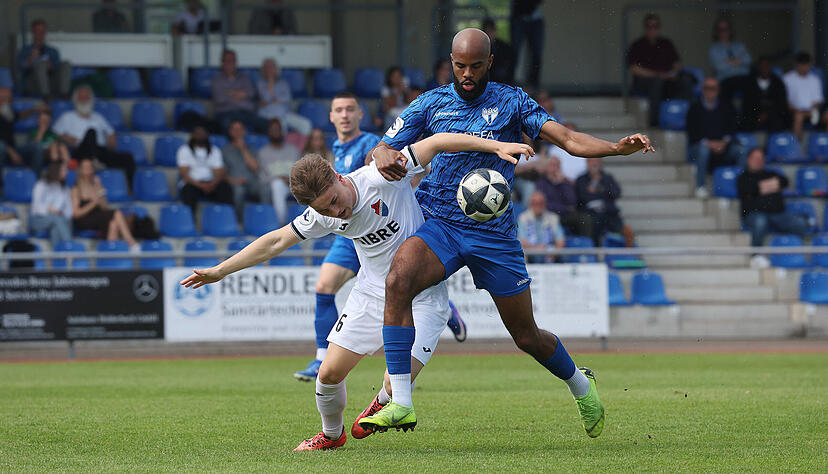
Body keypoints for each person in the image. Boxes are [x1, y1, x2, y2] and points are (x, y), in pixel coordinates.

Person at [363, 28, 653, 436]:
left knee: (526, 336)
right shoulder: (430, 102)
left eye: (475, 66)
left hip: (494, 235)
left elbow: (567, 139)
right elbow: (380, 147)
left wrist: (615, 148)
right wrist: (385, 154)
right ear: (451, 61)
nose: (466, 73)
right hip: (441, 224)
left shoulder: (512, 101)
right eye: (459, 65)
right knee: (398, 280)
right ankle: (401, 404)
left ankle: (581, 386)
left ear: (489, 64)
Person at [180, 132, 530, 451]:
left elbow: (437, 142)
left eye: (334, 200)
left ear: (338, 176)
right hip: (370, 295)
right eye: (324, 210)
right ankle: (331, 435)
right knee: (328, 375)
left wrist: (495, 147)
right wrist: (220, 270)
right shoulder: (322, 215)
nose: (336, 212)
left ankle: (382, 400)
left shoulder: (384, 175)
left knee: (397, 383)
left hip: (422, 296)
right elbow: (275, 241)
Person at [293, 93, 379, 381]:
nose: (344, 115)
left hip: (374, 228)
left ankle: (400, 375)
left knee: (403, 295)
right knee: (323, 287)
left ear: (360, 115)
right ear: (331, 117)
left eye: (350, 110)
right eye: (338, 110)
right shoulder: (335, 149)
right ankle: (320, 359)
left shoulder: (369, 144)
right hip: (347, 234)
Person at [737, 148, 808, 268]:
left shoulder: (771, 173)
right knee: (760, 222)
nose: (758, 161)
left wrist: (760, 189)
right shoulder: (743, 177)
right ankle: (756, 256)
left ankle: (788, 253)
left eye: (761, 158)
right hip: (754, 215)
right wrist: (771, 185)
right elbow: (747, 189)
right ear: (749, 160)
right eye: (755, 158)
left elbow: (785, 181)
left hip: (777, 214)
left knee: (800, 223)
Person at [53, 86, 135, 185]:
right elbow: (54, 133)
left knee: (127, 158)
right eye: (81, 98)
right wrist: (66, 138)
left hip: (100, 152)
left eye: (86, 98)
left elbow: (111, 132)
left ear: (91, 100)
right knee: (91, 132)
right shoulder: (67, 117)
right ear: (75, 100)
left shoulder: (98, 117)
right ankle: (93, 162)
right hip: (81, 151)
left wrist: (111, 138)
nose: (84, 101)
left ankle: (132, 188)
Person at [626, 14, 693, 126]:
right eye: (649, 26)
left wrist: (673, 73)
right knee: (656, 83)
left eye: (655, 26)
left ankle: (686, 118)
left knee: (685, 81)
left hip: (666, 79)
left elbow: (676, 63)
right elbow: (634, 69)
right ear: (645, 27)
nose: (652, 29)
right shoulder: (637, 45)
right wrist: (656, 75)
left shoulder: (666, 43)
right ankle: (655, 122)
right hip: (645, 82)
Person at [687, 77, 743, 198]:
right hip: (701, 147)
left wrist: (724, 142)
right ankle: (700, 186)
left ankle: (741, 186)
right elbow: (692, 132)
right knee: (703, 150)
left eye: (713, 88)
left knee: (741, 150)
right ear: (702, 90)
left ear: (718, 90)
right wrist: (709, 144)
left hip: (724, 147)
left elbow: (732, 128)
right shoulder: (694, 107)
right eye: (707, 88)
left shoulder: (726, 106)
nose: (709, 91)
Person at [71, 158, 139, 250]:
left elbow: (105, 207)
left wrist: (99, 188)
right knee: (117, 213)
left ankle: (111, 256)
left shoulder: (96, 186)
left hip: (99, 217)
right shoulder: (76, 189)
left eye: (90, 167)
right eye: (85, 167)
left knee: (113, 224)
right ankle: (132, 243)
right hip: (85, 219)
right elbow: (76, 214)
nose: (88, 170)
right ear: (80, 169)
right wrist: (93, 203)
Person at [177, 126, 234, 215]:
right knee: (188, 191)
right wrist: (200, 185)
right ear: (193, 135)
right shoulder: (184, 150)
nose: (200, 136)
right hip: (193, 184)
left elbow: (219, 172)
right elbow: (184, 174)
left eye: (203, 134)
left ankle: (224, 218)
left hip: (211, 183)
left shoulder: (215, 150)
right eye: (198, 134)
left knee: (225, 188)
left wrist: (212, 184)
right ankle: (190, 221)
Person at [212, 49, 268, 134]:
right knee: (225, 125)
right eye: (227, 60)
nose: (230, 63)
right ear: (222, 62)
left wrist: (231, 94)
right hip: (225, 113)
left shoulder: (244, 78)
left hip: (246, 113)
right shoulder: (216, 80)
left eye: (233, 60)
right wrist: (241, 95)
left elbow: (251, 93)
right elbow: (220, 99)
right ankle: (234, 146)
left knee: (266, 124)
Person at [536, 156, 592, 239]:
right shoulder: (541, 183)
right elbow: (545, 204)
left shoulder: (565, 182)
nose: (555, 168)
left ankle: (586, 246)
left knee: (585, 218)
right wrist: (565, 208)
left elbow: (572, 202)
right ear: (547, 167)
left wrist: (562, 184)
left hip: (564, 215)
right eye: (552, 165)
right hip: (549, 214)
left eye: (557, 166)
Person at [257, 118, 301, 224]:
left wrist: (291, 180)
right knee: (277, 184)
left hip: (294, 185)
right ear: (268, 132)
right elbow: (262, 178)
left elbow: (301, 173)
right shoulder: (263, 152)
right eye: (273, 129)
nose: (275, 132)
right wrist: (280, 178)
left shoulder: (293, 150)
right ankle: (281, 224)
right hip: (273, 186)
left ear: (282, 131)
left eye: (278, 129)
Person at [16, 19, 71, 100]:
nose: (40, 34)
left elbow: (58, 69)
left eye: (42, 31)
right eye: (37, 31)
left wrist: (50, 66)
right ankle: (46, 96)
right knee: (41, 64)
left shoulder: (53, 51)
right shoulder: (25, 50)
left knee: (66, 63)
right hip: (34, 85)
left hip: (52, 83)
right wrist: (31, 59)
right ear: (33, 32)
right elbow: (19, 69)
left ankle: (64, 94)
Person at [575, 158, 625, 246]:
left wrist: (599, 190)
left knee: (617, 224)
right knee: (592, 224)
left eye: (597, 162)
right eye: (592, 162)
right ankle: (595, 248)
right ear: (587, 163)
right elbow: (581, 197)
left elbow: (616, 193)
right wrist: (601, 193)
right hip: (590, 212)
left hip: (608, 211)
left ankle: (618, 247)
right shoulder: (581, 179)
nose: (595, 164)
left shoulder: (607, 178)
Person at [256, 58, 312, 135]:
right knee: (280, 126)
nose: (269, 69)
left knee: (306, 124)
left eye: (271, 67)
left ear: (276, 69)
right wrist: (270, 84)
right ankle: (284, 146)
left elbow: (287, 98)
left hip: (284, 113)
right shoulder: (260, 84)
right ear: (263, 70)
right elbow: (266, 98)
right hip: (268, 115)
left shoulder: (283, 83)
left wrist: (273, 99)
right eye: (267, 67)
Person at [0, 86, 45, 173]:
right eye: (7, 98)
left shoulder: (7, 111)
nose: (10, 101)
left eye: (9, 98)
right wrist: (10, 151)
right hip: (4, 150)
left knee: (37, 146)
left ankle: (33, 179)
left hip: (14, 148)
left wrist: (34, 110)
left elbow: (19, 116)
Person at [221, 120, 261, 217]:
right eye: (234, 129)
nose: (237, 132)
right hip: (234, 182)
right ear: (230, 132)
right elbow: (222, 174)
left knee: (265, 189)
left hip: (252, 182)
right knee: (238, 191)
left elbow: (255, 168)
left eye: (240, 129)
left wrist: (243, 149)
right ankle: (239, 221)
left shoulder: (251, 149)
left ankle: (266, 217)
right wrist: (233, 181)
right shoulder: (225, 150)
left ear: (244, 131)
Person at [741, 56, 790, 133]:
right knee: (745, 121)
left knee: (779, 122)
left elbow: (781, 103)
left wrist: (767, 114)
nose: (764, 68)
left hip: (773, 114)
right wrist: (758, 114)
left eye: (767, 66)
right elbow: (747, 102)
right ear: (758, 67)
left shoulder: (777, 82)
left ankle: (774, 143)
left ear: (770, 67)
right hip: (755, 113)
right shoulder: (750, 82)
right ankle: (751, 143)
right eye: (762, 66)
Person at [783, 52, 823, 141]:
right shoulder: (787, 78)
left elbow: (817, 101)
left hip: (811, 112)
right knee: (799, 116)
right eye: (801, 64)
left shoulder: (815, 80)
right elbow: (785, 100)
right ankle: (796, 147)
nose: (804, 67)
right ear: (797, 64)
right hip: (793, 111)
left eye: (806, 64)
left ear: (809, 65)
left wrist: (810, 110)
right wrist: (795, 109)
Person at [30, 161, 72, 246]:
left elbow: (69, 211)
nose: (66, 173)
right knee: (57, 219)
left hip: (57, 220)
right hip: (37, 220)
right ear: (56, 171)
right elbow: (36, 208)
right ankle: (70, 245)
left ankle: (56, 254)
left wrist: (59, 213)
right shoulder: (41, 185)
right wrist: (49, 209)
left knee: (56, 226)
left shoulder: (63, 188)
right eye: (63, 170)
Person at [708, 18, 751, 100]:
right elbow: (719, 67)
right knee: (723, 93)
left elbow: (748, 60)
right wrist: (738, 61)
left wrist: (728, 61)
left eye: (726, 29)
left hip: (744, 77)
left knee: (753, 88)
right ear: (716, 32)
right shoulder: (713, 49)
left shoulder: (740, 45)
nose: (723, 32)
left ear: (730, 30)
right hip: (725, 79)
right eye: (720, 29)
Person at [517, 191, 565, 263]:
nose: (538, 205)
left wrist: (553, 253)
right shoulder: (523, 218)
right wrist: (537, 249)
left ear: (544, 204)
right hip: (530, 256)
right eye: (534, 203)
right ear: (530, 204)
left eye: (540, 203)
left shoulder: (553, 218)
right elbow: (521, 241)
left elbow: (561, 241)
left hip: (549, 255)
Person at [510, 0, 544, 89]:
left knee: (537, 54)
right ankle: (510, 83)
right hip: (518, 16)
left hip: (536, 18)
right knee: (514, 52)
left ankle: (534, 84)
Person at [482, 17, 516, 85]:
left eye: (491, 31)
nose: (489, 34)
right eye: (487, 31)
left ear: (495, 31)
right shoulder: (480, 47)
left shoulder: (505, 47)